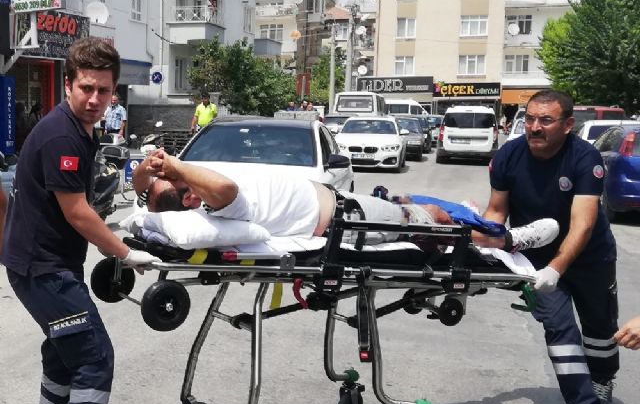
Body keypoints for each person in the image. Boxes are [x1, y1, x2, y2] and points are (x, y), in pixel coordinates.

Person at [1, 37, 160, 404]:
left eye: (103, 90)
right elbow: (77, 212)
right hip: (43, 271)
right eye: (86, 88)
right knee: (93, 358)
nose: (94, 98)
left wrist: (109, 234)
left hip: (46, 266)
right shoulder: (62, 136)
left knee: (63, 356)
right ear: (68, 84)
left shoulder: (82, 130)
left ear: (113, 91)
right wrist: (124, 252)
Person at [482, 89, 618, 404]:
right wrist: (485, 244)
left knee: (599, 328)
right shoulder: (509, 155)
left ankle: (601, 380)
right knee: (558, 326)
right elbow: (496, 211)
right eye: (530, 119)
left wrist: (557, 269)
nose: (534, 127)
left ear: (568, 125)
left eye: (545, 120)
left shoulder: (585, 158)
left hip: (590, 257)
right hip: (535, 260)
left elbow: (583, 224)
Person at [132, 150, 559, 252]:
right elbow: (227, 190)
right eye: (172, 183)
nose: (166, 176)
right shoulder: (215, 203)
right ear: (187, 199)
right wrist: (177, 167)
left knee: (410, 202)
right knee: (432, 219)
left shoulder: (196, 188)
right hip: (347, 221)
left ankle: (460, 217)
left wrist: (149, 174)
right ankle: (507, 242)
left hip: (343, 203)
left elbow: (144, 189)